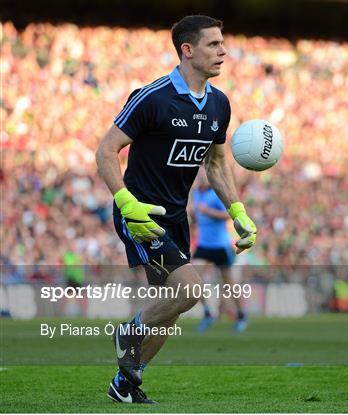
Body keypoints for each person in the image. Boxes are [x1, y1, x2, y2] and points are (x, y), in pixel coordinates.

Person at [95, 15, 257, 404]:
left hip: (175, 217)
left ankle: (126, 383)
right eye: (213, 44)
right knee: (191, 289)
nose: (223, 51)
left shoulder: (219, 104)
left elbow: (215, 164)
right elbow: (105, 151)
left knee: (170, 309)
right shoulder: (152, 97)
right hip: (140, 212)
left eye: (222, 44)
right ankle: (129, 333)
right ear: (187, 50)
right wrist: (125, 202)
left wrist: (237, 210)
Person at [190, 169, 248, 333]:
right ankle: (208, 313)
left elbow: (228, 215)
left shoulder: (216, 194)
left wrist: (208, 212)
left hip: (220, 245)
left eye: (203, 175)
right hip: (203, 244)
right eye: (199, 175)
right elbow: (197, 217)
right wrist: (194, 216)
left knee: (229, 284)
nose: (201, 177)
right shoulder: (196, 193)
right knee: (192, 279)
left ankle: (241, 315)